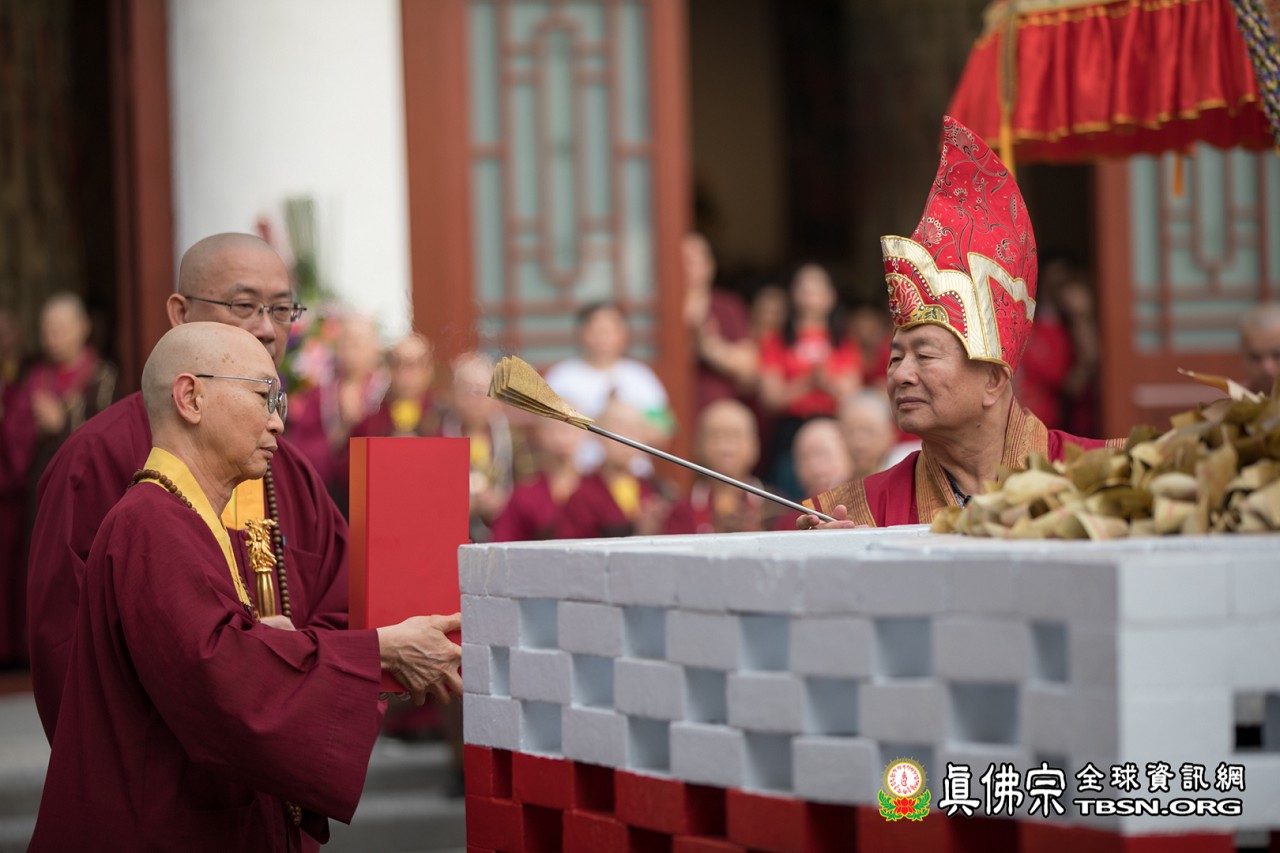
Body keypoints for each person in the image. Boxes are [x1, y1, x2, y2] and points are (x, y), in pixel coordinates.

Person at [28, 323, 462, 852]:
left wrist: (276, 643)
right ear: (191, 398)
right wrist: (380, 653)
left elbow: (218, 651)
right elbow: (223, 676)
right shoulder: (149, 524)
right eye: (263, 396)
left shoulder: (181, 517)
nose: (278, 421)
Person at [27, 233, 349, 746]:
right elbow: (65, 646)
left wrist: (294, 674)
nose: (266, 329)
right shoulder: (94, 459)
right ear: (180, 313)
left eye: (282, 309)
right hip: (160, 770)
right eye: (243, 306)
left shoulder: (291, 470)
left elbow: (341, 601)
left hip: (281, 764)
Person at [799, 117, 1119, 529]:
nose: (901, 375)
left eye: (924, 356)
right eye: (895, 358)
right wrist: (841, 558)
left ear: (993, 380)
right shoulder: (854, 515)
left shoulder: (1107, 477)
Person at [1, 292, 118, 667]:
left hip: (84, 491)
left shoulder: (104, 376)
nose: (52, 338)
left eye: (61, 328)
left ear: (83, 328)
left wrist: (61, 422)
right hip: (37, 491)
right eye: (47, 330)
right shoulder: (34, 377)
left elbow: (108, 432)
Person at [758, 262, 862, 497]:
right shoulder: (777, 340)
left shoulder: (843, 340)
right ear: (792, 294)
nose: (811, 293)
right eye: (804, 286)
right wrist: (809, 382)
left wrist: (824, 382)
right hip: (790, 432)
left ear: (832, 295)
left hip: (833, 429)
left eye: (818, 285)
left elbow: (852, 394)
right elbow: (770, 398)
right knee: (790, 499)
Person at [545, 301, 675, 472]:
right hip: (580, 473)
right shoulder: (562, 376)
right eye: (596, 330)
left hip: (632, 474)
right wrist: (602, 421)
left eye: (609, 330)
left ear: (623, 334)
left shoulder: (641, 377)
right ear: (581, 333)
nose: (602, 337)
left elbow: (664, 431)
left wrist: (625, 424)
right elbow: (548, 431)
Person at [439, 351, 535, 542]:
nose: (476, 399)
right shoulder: (437, 435)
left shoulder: (513, 437)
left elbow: (530, 486)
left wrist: (504, 502)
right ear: (453, 394)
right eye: (468, 390)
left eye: (483, 390)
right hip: (450, 533)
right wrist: (463, 504)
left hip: (504, 531)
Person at [556, 400, 671, 539]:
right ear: (598, 434)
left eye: (635, 429)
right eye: (619, 428)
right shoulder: (582, 493)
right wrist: (640, 532)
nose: (628, 437)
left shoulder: (655, 490)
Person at [665, 399, 770, 535]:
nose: (725, 447)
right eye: (716, 436)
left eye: (735, 436)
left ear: (755, 446)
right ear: (698, 446)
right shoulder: (681, 512)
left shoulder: (774, 508)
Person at [682, 233, 758, 410]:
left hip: (718, 407)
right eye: (679, 261)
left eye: (691, 262)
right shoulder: (661, 309)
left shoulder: (728, 307)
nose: (685, 269)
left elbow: (749, 367)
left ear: (709, 266)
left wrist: (709, 347)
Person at [490, 417, 584, 542]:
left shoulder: (595, 490)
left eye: (569, 429)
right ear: (540, 434)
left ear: (583, 433)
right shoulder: (525, 495)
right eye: (554, 429)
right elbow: (503, 542)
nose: (562, 435)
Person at [350, 332, 440, 438]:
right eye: (397, 363)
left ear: (429, 370)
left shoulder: (443, 418)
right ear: (389, 369)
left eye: (413, 364)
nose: (405, 374)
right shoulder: (371, 420)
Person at [837, 389, 919, 479]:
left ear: (891, 434)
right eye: (850, 432)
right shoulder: (835, 483)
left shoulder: (911, 475)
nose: (859, 443)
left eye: (869, 432)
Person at [1240, 302, 1280, 395]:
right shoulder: (1233, 402)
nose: (1267, 368)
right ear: (1242, 358)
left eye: (1277, 355)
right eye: (1256, 357)